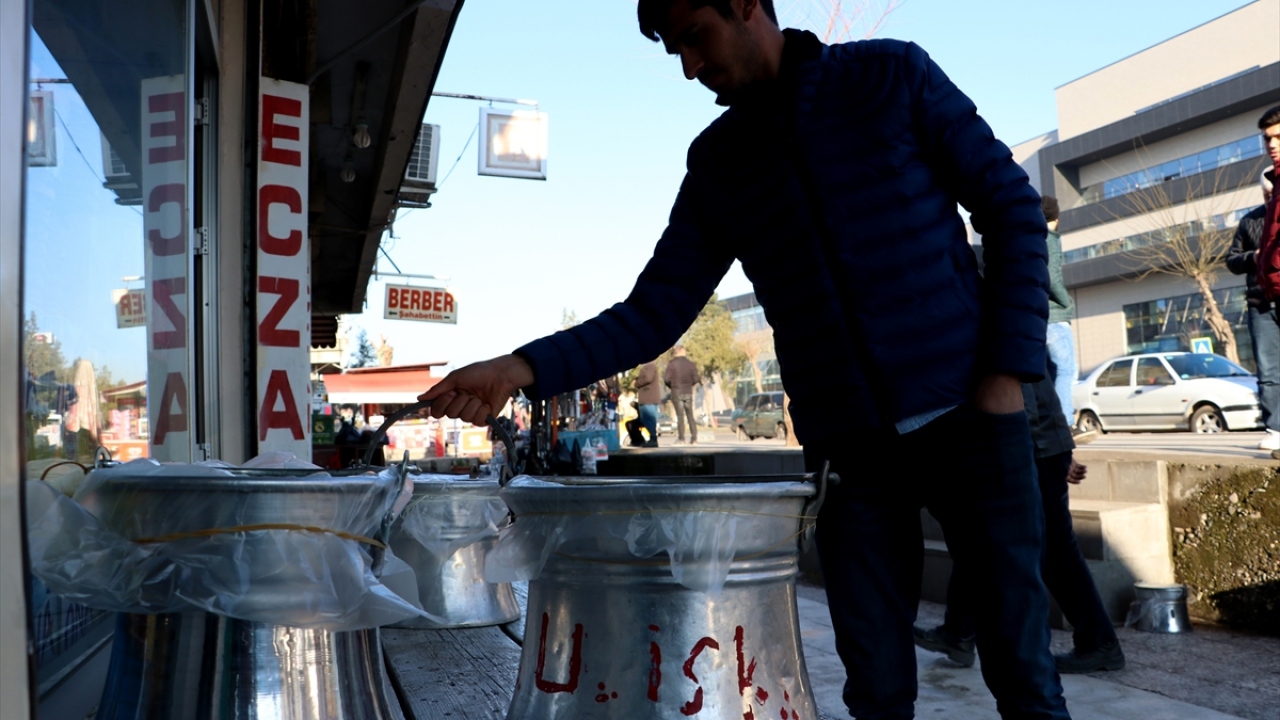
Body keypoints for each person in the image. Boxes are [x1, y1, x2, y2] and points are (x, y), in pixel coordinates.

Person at [421, 1, 1065, 717]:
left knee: (1024, 674)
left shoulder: (890, 75)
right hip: (851, 459)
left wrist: (1006, 376)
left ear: (748, 4)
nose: (689, 67)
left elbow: (1011, 207)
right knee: (877, 691)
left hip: (973, 421)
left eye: (695, 37)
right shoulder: (720, 161)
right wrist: (519, 369)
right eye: (675, 50)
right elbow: (654, 311)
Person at [914, 370, 1125, 674]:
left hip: (1029, 444)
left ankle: (1099, 642)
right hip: (1031, 441)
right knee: (978, 534)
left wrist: (1038, 447)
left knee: (1053, 548)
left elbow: (1023, 381)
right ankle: (958, 631)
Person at [1232, 106, 1280, 452]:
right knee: (1269, 369)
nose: (1271, 144)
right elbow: (1232, 259)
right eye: (1267, 139)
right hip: (1261, 297)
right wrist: (1256, 258)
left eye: (1277, 137)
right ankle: (1276, 427)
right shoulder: (1250, 221)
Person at [1041, 196, 1089, 442]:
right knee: (1066, 369)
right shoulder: (1049, 238)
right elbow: (1052, 277)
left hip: (1039, 317)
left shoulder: (1029, 238)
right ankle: (1066, 424)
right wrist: (1066, 302)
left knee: (1048, 374)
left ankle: (1052, 427)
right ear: (1057, 219)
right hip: (1055, 316)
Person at [663, 345, 701, 445]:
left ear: (676, 353)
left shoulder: (672, 364)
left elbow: (666, 379)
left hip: (676, 392)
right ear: (684, 352)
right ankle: (694, 438)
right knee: (690, 415)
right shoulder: (690, 364)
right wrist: (689, 384)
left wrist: (672, 386)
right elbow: (696, 378)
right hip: (688, 391)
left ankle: (681, 439)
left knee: (680, 416)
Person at [635, 360, 661, 447]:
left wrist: (637, 383)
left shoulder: (649, 366)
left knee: (648, 419)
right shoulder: (648, 366)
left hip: (648, 399)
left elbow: (648, 378)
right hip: (648, 398)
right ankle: (652, 438)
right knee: (647, 419)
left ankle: (653, 438)